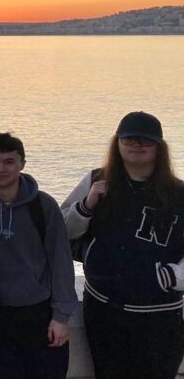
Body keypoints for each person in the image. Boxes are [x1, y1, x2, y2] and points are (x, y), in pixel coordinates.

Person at [61, 111, 184, 379]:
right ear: (117, 143)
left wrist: (171, 277)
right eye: (128, 138)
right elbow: (62, 234)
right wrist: (87, 205)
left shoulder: (179, 194)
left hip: (159, 315)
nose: (136, 144)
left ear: (159, 148)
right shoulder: (95, 180)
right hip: (104, 310)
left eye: (145, 140)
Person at [0, 133, 76, 379]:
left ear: (22, 163)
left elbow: (61, 262)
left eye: (9, 162)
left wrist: (61, 317)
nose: (0, 168)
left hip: (40, 315)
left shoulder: (43, 206)